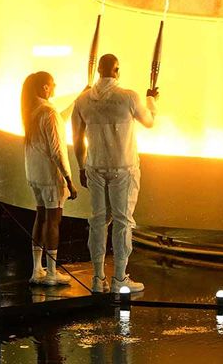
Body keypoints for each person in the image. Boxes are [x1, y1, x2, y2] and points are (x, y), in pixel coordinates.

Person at [72, 54, 157, 294]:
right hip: (124, 169)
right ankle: (120, 277)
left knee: (98, 221)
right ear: (117, 70)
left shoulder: (83, 100)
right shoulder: (129, 97)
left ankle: (98, 279)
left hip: (94, 167)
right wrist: (152, 101)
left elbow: (77, 139)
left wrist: (81, 166)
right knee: (123, 222)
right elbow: (149, 122)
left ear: (98, 70)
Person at [21, 71, 78, 286]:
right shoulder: (48, 112)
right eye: (53, 84)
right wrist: (69, 179)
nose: (55, 86)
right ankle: (52, 272)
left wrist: (77, 99)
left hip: (34, 174)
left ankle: (37, 270)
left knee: (41, 217)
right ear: (45, 87)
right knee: (54, 221)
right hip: (49, 175)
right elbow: (56, 151)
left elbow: (58, 120)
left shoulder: (31, 109)